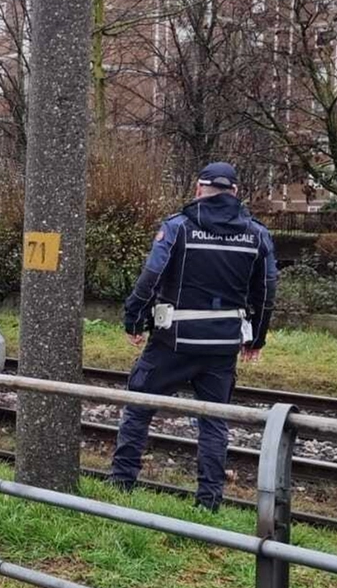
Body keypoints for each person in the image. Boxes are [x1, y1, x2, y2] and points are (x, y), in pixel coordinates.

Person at [107, 162, 278, 511]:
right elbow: (266, 289)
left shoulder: (179, 228)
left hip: (173, 341)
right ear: (235, 192)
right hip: (222, 346)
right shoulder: (257, 234)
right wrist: (256, 338)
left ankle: (122, 482)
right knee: (214, 421)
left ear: (199, 189)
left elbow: (152, 274)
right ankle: (209, 501)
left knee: (139, 405)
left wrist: (134, 319)